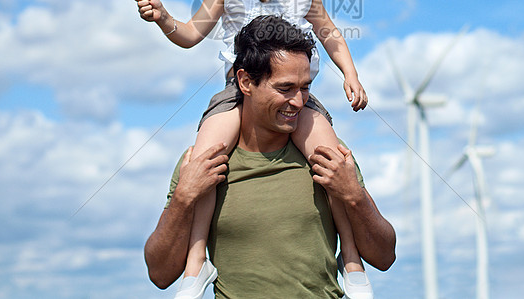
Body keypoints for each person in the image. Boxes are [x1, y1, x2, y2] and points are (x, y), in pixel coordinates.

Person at [135, 0, 372, 298]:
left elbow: (331, 35)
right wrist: (162, 18)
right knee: (207, 158)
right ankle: (196, 265)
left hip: (295, 95)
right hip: (235, 94)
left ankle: (351, 258)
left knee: (332, 161)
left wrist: (351, 74)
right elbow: (189, 34)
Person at [144, 16, 396, 298]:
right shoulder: (202, 163)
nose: (299, 102)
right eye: (285, 89)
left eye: (305, 88)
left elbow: (384, 257)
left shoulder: (330, 157)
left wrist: (354, 196)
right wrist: (183, 198)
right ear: (245, 81)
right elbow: (160, 275)